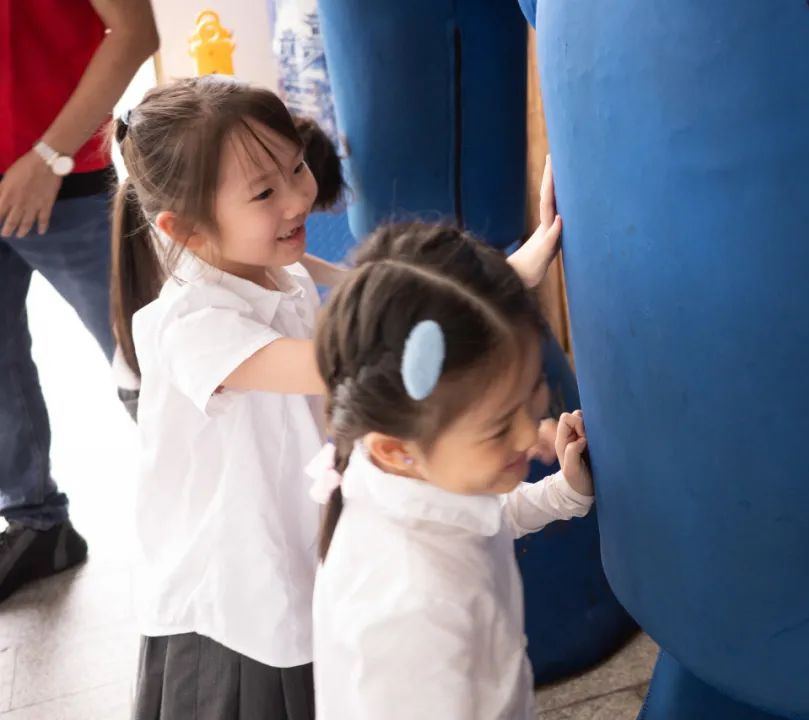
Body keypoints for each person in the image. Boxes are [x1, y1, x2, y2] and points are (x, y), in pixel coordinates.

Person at [112, 75, 563, 719]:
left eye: (296, 167)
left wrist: (520, 263)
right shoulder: (190, 325)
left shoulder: (284, 271)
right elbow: (367, 349)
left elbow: (401, 302)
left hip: (303, 559)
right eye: (265, 191)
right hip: (236, 609)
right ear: (185, 229)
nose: (299, 196)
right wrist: (511, 282)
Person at [310, 221, 593, 719]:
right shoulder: (412, 610)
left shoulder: (411, 476)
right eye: (502, 425)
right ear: (396, 449)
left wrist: (563, 493)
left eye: (533, 397)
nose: (532, 435)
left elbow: (481, 520)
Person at [0, 0, 158, 603]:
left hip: (65, 182)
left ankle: (236, 505)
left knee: (155, 357)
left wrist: (48, 157)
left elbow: (135, 32)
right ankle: (38, 526)